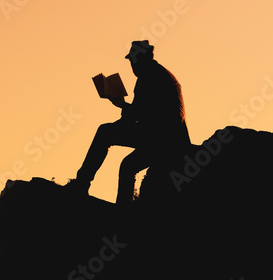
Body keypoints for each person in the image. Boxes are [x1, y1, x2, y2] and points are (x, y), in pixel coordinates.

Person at [67, 40, 191, 206]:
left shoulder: (149, 77)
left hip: (162, 139)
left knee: (105, 133)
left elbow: (136, 116)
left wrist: (121, 106)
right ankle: (122, 209)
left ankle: (82, 184)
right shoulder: (158, 74)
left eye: (132, 61)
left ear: (140, 60)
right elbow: (143, 113)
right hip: (165, 138)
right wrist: (123, 107)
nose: (132, 65)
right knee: (127, 165)